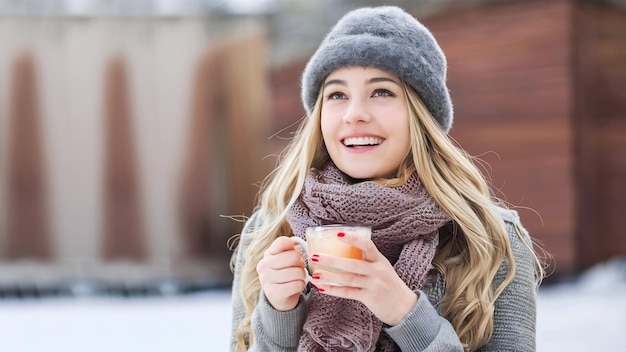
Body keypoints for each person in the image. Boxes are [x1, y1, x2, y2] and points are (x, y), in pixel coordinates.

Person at [229, 6, 545, 352]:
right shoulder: (271, 228)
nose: (355, 115)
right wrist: (279, 317)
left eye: (381, 92)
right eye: (337, 94)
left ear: (420, 113)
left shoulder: (491, 238)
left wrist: (403, 311)